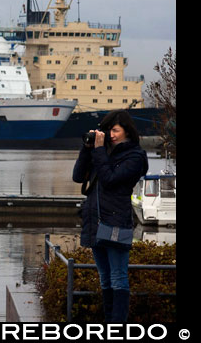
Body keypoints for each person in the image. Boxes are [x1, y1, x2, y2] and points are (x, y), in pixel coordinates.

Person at [72, 109, 149, 323]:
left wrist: (98, 152)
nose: (111, 135)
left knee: (118, 278)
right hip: (95, 221)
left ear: (127, 131)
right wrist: (87, 149)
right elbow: (78, 176)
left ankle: (118, 327)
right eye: (108, 130)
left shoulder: (135, 156)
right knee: (105, 279)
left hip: (115, 221)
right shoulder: (101, 151)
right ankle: (108, 323)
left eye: (115, 130)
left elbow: (110, 180)